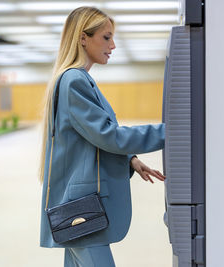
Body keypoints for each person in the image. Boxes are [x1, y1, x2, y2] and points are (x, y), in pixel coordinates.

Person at [38, 6, 166, 267]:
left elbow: (90, 136)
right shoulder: (75, 80)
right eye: (106, 37)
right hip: (84, 211)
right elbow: (108, 136)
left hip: (80, 211)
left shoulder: (78, 79)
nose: (113, 45)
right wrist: (171, 131)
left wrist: (130, 159)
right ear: (83, 38)